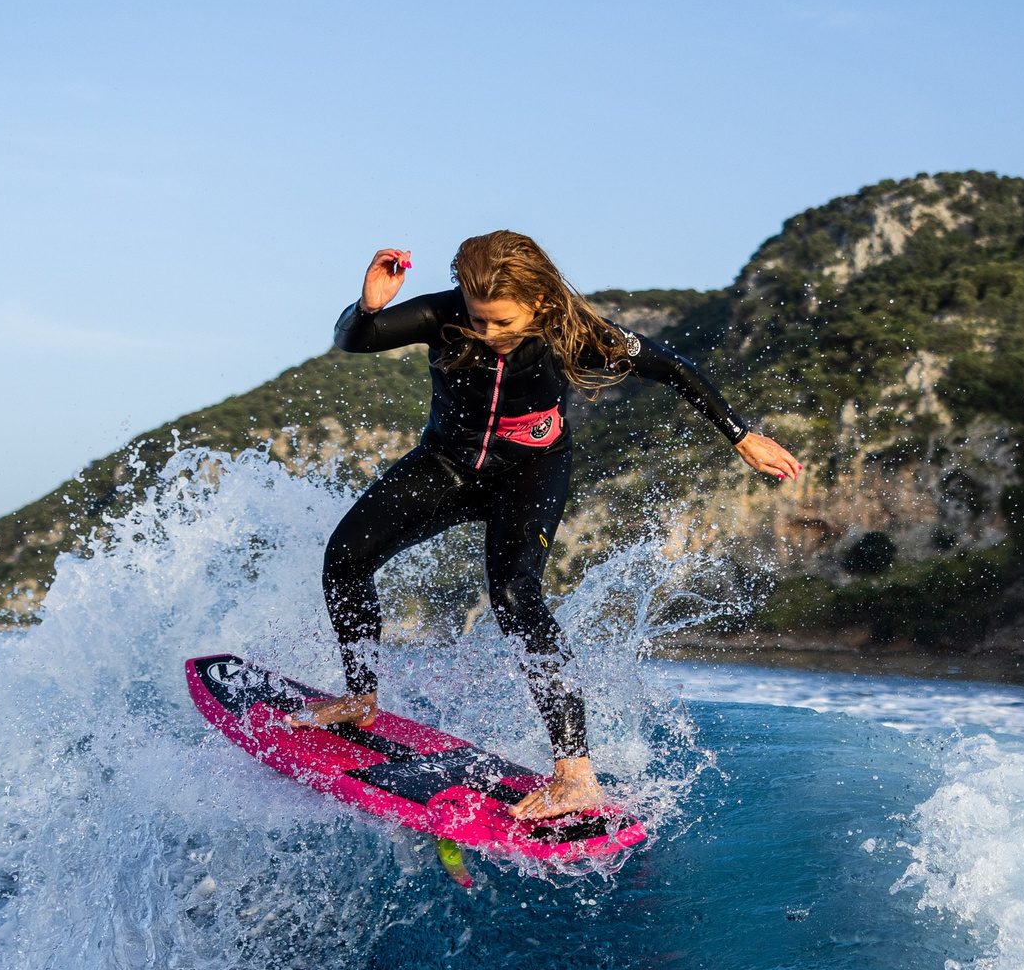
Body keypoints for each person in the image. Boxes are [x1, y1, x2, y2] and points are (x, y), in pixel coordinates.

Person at [289, 230, 802, 821]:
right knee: (345, 557)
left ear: (538, 303)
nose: (485, 333)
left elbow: (673, 368)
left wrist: (740, 434)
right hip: (447, 464)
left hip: (530, 474)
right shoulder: (446, 314)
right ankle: (359, 696)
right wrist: (369, 306)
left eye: (501, 321)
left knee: (514, 595)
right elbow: (356, 340)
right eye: (478, 319)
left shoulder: (577, 332)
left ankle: (576, 773)